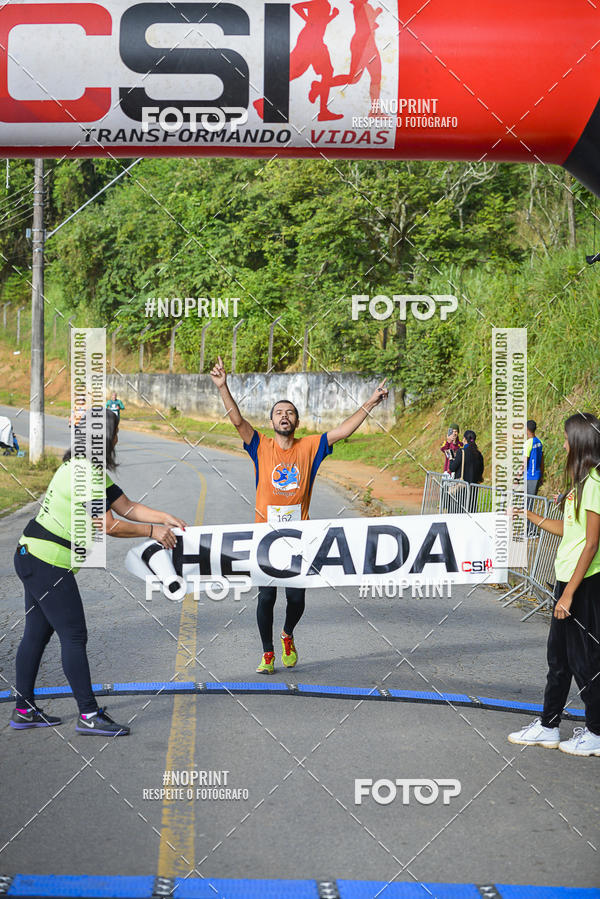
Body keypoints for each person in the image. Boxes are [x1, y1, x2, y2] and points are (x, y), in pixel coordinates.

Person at [10, 410, 186, 737]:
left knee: (37, 634)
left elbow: (126, 506)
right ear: (105, 438)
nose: (118, 438)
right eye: (116, 432)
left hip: (33, 555)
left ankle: (23, 710)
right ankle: (88, 714)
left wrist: (164, 517)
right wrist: (152, 531)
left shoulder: (87, 468)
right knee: (74, 636)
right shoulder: (84, 474)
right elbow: (109, 524)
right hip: (47, 562)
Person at [210, 355, 388, 674]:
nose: (284, 416)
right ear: (271, 421)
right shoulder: (260, 446)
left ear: (297, 421)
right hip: (265, 538)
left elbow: (342, 431)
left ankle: (287, 634)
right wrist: (223, 387)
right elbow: (237, 421)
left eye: (290, 412)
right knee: (266, 598)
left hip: (299, 539)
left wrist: (371, 402)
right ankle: (267, 654)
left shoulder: (309, 448)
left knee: (296, 600)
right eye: (279, 412)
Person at [508, 412, 600, 757]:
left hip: (585, 582)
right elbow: (570, 531)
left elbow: (591, 544)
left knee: (585, 660)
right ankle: (548, 726)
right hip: (568, 578)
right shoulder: (581, 483)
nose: (562, 444)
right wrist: (530, 516)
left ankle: (595, 732)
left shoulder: (595, 484)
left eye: (566, 438)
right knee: (558, 659)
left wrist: (570, 594)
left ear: (580, 443)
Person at [448, 430, 484, 512]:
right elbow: (481, 471)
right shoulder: (479, 454)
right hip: (473, 491)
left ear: (464, 439)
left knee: (457, 514)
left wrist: (451, 459)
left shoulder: (462, 452)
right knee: (470, 514)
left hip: (460, 490)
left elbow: (452, 468)